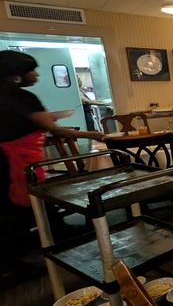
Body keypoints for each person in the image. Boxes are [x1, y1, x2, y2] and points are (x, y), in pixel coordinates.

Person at [0, 50, 104, 207]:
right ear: (17, 73)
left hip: (5, 157)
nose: (36, 75)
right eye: (32, 70)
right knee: (30, 196)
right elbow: (56, 130)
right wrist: (93, 134)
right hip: (18, 159)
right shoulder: (24, 97)